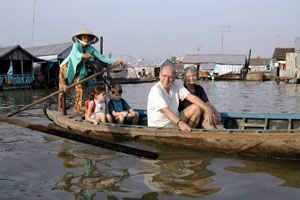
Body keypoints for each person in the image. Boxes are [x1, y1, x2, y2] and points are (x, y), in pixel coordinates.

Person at [58, 29, 123, 113]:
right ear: (80, 38)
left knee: (80, 88)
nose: (86, 39)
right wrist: (83, 55)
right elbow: (75, 53)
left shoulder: (91, 49)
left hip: (79, 69)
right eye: (84, 37)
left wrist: (114, 62)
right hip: (67, 67)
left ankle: (77, 108)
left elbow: (102, 57)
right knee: (63, 88)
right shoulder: (76, 45)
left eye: (88, 37)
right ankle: (61, 106)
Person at [147, 65, 214, 132]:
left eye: (170, 77)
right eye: (164, 76)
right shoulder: (156, 90)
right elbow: (166, 111)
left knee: (196, 108)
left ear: (174, 78)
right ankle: (185, 134)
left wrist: (206, 108)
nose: (166, 80)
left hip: (175, 120)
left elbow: (190, 96)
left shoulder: (176, 84)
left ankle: (187, 134)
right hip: (160, 126)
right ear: (159, 76)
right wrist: (180, 123)